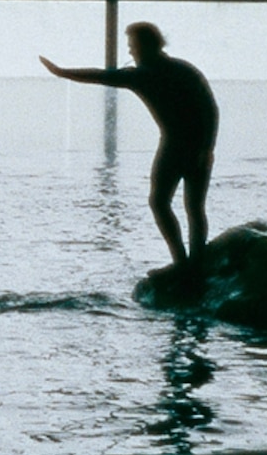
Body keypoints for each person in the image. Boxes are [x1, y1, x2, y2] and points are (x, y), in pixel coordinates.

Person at [40, 22, 219, 272]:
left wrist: (62, 72)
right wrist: (207, 147)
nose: (131, 53)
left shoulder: (144, 75)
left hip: (178, 145)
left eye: (133, 47)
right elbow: (210, 109)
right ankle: (193, 261)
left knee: (162, 203)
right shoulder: (180, 70)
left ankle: (183, 261)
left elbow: (100, 75)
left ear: (146, 47)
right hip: (193, 144)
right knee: (191, 206)